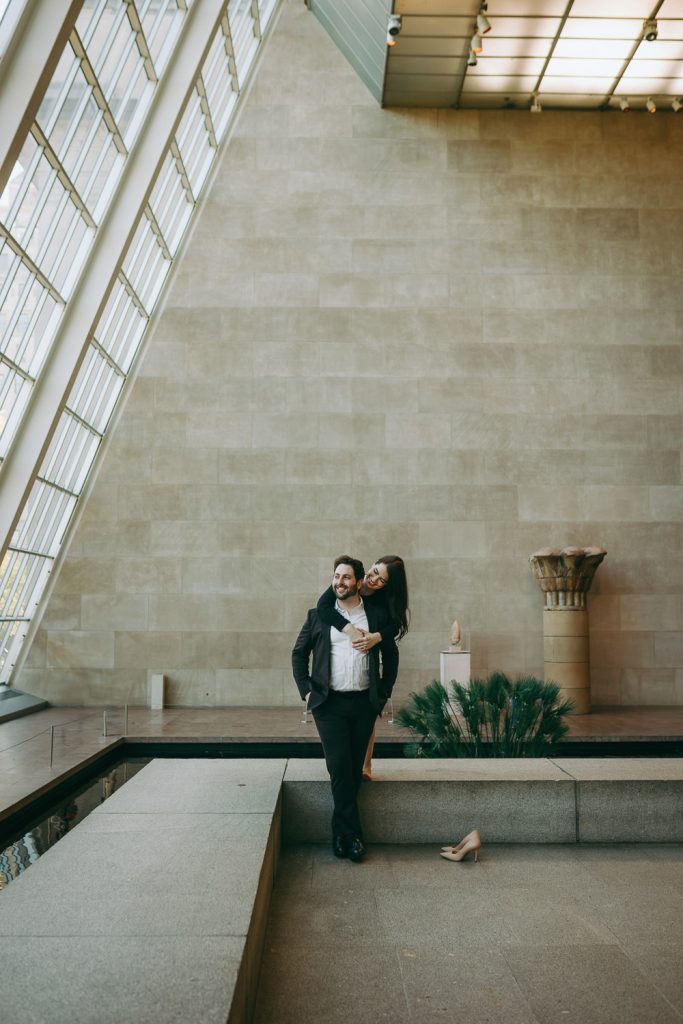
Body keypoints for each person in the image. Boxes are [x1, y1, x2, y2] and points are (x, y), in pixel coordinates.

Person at [292, 555, 399, 862]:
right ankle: (351, 836)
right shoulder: (319, 615)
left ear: (359, 581)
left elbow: (391, 657)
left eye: (346, 577)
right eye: (336, 576)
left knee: (353, 770)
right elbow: (298, 655)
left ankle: (341, 834)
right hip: (330, 704)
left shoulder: (375, 616)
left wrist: (383, 694)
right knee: (339, 767)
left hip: (364, 704)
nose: (340, 582)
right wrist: (307, 691)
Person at [316, 554, 409, 778]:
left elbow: (395, 626)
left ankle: (366, 765)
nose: (373, 579)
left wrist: (376, 637)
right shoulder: (348, 582)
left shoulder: (383, 601)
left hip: (374, 644)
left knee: (368, 714)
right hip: (352, 640)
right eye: (374, 571)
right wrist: (348, 629)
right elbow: (322, 608)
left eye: (381, 580)